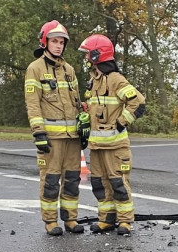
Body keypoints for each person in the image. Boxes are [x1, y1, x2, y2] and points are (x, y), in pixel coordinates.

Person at [77, 34, 145, 235]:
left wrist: (121, 122)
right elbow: (97, 107)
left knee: (118, 184)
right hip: (97, 147)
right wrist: (85, 111)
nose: (87, 58)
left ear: (97, 55)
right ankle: (106, 219)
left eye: (88, 54)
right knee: (100, 184)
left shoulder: (115, 79)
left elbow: (138, 102)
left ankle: (125, 221)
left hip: (116, 147)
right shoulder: (94, 80)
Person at [25, 21, 84, 236]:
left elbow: (77, 102)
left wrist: (83, 122)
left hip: (72, 137)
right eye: (54, 41)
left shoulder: (69, 69)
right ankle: (50, 221)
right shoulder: (35, 68)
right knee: (50, 180)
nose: (58, 46)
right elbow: (32, 102)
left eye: (61, 42)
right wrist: (38, 132)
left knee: (72, 179)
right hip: (51, 137)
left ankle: (70, 219)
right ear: (45, 42)